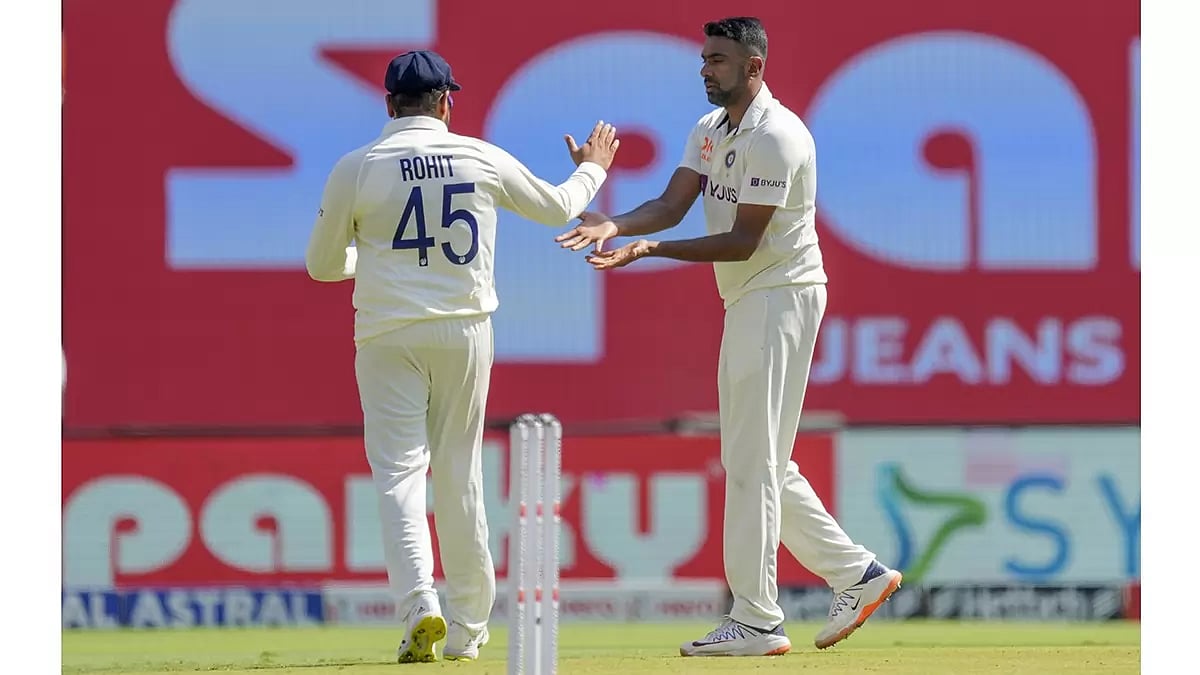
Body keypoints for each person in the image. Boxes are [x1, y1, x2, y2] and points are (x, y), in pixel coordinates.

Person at [556, 17, 902, 657]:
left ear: (754, 67)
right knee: (764, 460)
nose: (705, 70)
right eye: (703, 59)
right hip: (752, 297)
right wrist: (615, 224)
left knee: (750, 462)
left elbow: (743, 241)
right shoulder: (711, 130)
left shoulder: (778, 135)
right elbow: (670, 203)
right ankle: (857, 574)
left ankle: (757, 619)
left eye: (718, 60)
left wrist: (648, 248)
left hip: (779, 294)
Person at [305, 49, 620, 663]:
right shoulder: (477, 154)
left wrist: (366, 260)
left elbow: (321, 265)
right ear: (446, 101)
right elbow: (559, 206)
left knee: (399, 476)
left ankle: (419, 605)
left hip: (387, 334)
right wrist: (594, 171)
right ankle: (470, 629)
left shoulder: (359, 165)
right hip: (465, 331)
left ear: (389, 103)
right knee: (459, 475)